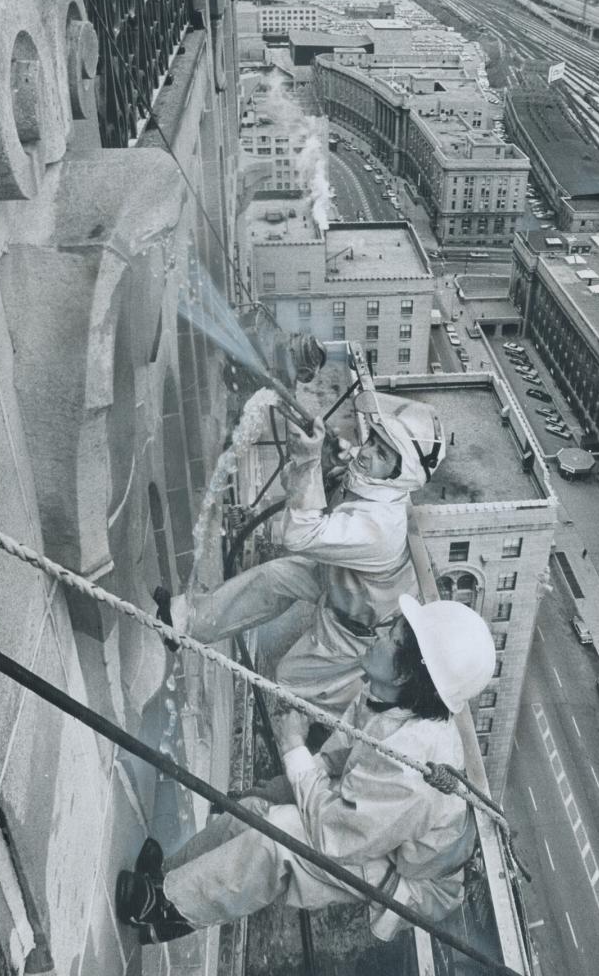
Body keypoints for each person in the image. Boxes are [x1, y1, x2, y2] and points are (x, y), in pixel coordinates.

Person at [115, 595, 496, 944]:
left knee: (279, 838)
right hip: (375, 830)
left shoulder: (413, 763)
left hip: (407, 876)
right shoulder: (393, 701)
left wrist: (293, 746)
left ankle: (167, 910)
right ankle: (165, 880)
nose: (377, 634)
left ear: (404, 674)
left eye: (391, 637)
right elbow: (345, 757)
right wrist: (286, 783)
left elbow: (335, 835)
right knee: (254, 811)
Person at [170, 391, 445, 713]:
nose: (365, 452)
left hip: (352, 625)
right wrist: (321, 462)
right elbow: (298, 486)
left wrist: (309, 460)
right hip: (341, 581)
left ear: (402, 475)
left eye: (382, 453)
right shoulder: (372, 481)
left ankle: (291, 734)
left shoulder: (384, 526)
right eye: (372, 440)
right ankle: (186, 622)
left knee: (288, 681)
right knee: (273, 579)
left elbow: (299, 535)